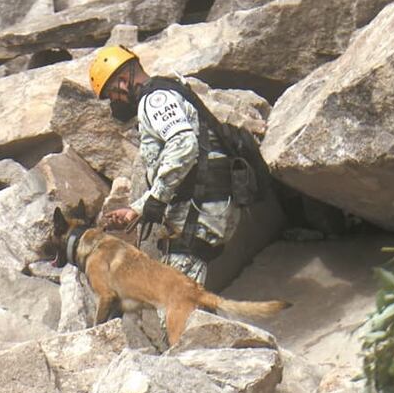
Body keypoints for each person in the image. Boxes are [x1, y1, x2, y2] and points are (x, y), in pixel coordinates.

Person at [89, 44, 268, 286]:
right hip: (205, 202)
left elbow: (183, 146)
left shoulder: (155, 101)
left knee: (175, 299)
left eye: (113, 94)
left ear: (122, 81)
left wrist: (157, 199)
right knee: (179, 294)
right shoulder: (167, 92)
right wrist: (138, 209)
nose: (115, 102)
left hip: (201, 207)